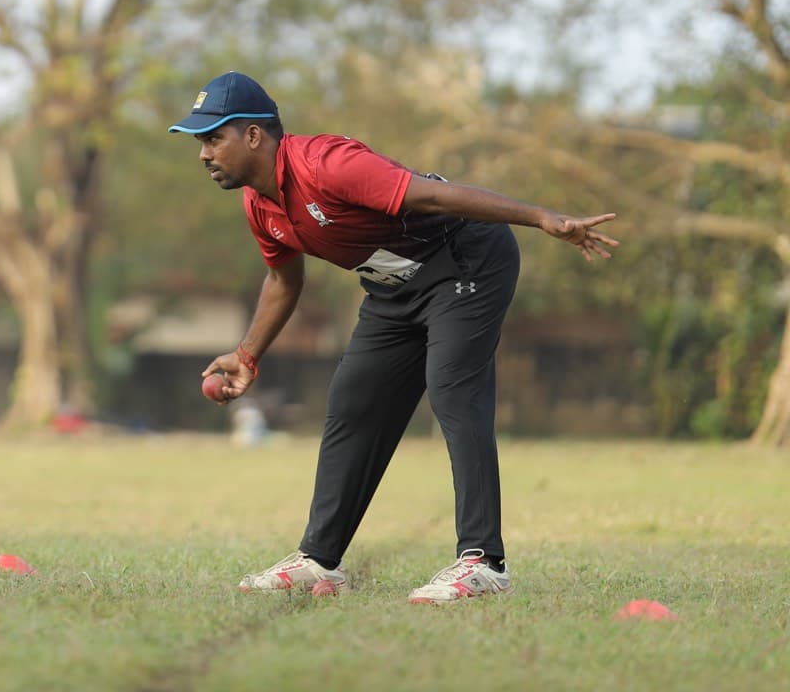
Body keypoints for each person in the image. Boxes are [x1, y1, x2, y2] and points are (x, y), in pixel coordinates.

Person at [168, 71, 618, 604]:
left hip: (466, 258)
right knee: (352, 401)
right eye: (200, 140)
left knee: (451, 388)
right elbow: (283, 280)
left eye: (213, 137)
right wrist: (247, 355)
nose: (204, 153)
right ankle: (319, 561)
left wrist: (542, 217)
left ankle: (484, 563)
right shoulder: (260, 206)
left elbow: (434, 197)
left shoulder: (327, 165)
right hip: (396, 288)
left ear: (253, 136)